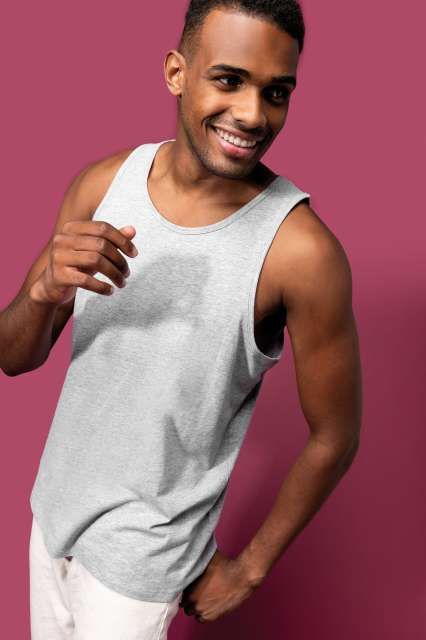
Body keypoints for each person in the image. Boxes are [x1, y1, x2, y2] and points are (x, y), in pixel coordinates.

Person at [0, 0, 362, 637]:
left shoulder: (301, 251)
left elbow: (335, 434)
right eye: (229, 80)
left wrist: (250, 569)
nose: (252, 114)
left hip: (141, 562)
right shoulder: (102, 185)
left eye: (276, 92)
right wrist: (42, 293)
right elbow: (13, 357)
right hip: (51, 519)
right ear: (176, 72)